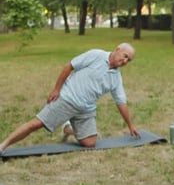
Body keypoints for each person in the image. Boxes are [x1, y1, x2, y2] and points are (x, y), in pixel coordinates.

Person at [0, 43, 140, 154]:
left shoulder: (116, 78)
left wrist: (130, 125)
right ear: (118, 49)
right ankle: (3, 145)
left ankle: (67, 128)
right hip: (67, 99)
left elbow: (121, 102)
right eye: (125, 55)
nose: (125, 61)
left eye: (129, 60)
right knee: (36, 124)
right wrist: (56, 89)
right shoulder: (96, 55)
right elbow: (69, 66)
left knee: (90, 143)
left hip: (86, 109)